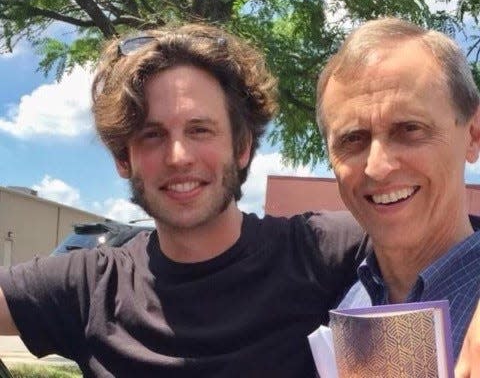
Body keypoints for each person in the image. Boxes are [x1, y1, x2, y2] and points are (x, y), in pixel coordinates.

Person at [0, 23, 366, 377]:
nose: (178, 156)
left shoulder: (325, 253)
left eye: (200, 130)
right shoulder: (89, 288)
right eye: (152, 134)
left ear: (242, 147)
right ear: (123, 159)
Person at [316, 16, 480, 361]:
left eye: (409, 129)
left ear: (473, 134)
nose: (378, 166)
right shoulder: (342, 307)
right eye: (353, 139)